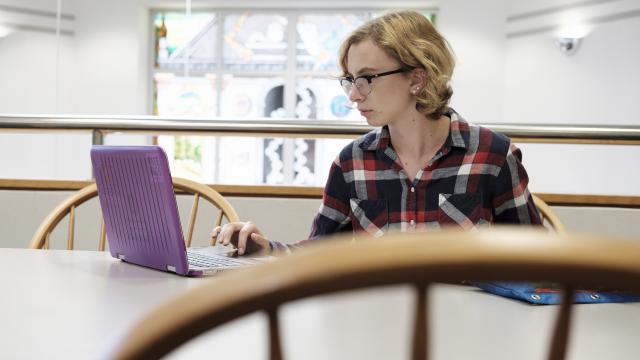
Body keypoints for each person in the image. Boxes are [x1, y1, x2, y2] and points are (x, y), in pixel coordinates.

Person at [212, 10, 542, 256]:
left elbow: (537, 257)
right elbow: (319, 255)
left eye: (367, 78)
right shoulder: (352, 163)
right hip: (375, 328)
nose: (354, 94)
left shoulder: (492, 155)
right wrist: (265, 249)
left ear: (417, 78)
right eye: (350, 80)